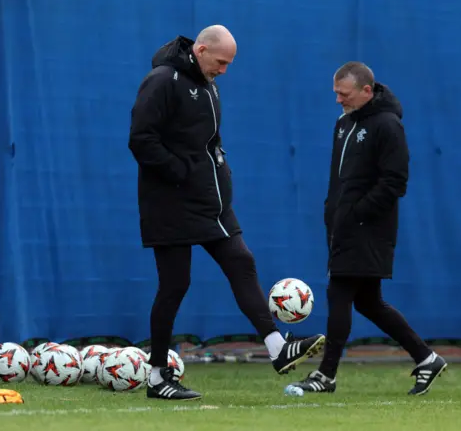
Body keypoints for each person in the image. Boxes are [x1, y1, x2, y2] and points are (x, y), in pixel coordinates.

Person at [128, 25, 326, 401]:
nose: (224, 70)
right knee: (175, 285)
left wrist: (220, 168)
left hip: (209, 202)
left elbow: (208, 140)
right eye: (221, 62)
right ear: (200, 50)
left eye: (228, 64)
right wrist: (179, 171)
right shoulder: (162, 80)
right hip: (169, 204)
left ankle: (276, 348)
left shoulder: (209, 85)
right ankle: (157, 377)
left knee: (241, 261)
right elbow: (140, 138)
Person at [290, 62, 447, 396]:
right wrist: (332, 212)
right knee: (369, 303)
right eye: (335, 93)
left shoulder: (388, 125)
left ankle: (326, 375)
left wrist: (359, 213)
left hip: (368, 228)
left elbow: (395, 181)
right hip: (343, 226)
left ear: (366, 90)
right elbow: (340, 180)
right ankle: (426, 357)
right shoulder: (344, 123)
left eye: (343, 94)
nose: (338, 100)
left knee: (340, 292)